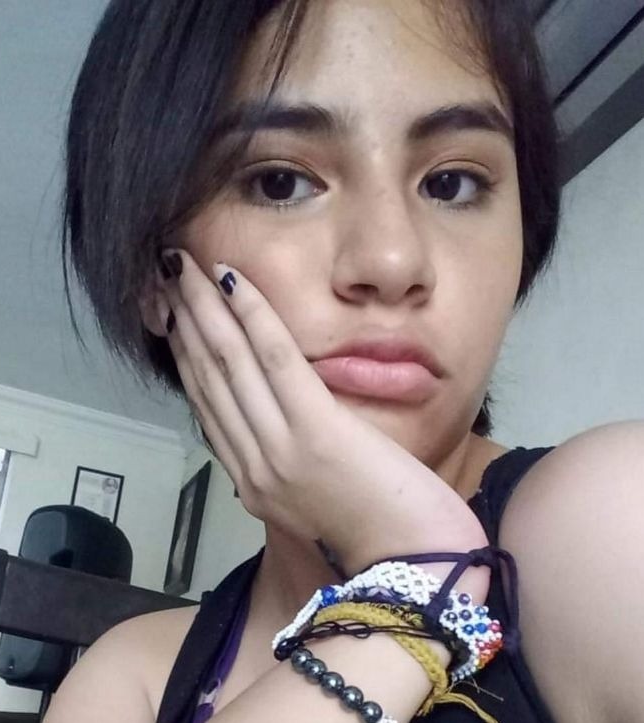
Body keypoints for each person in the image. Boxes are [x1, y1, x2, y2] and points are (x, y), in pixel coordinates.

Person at [45, 1, 644, 721]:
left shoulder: (612, 519)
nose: (392, 261)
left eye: (451, 183)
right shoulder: (135, 675)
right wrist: (413, 579)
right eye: (280, 182)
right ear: (154, 275)